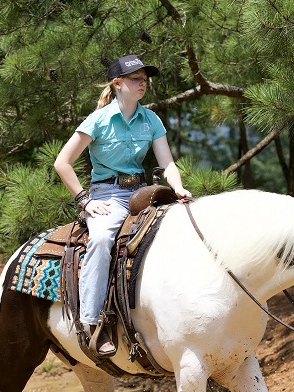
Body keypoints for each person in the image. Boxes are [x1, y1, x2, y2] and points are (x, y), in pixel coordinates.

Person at [54, 54, 191, 355]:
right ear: (117, 84)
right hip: (107, 195)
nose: (143, 83)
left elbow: (167, 163)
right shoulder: (98, 120)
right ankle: (92, 323)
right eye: (135, 79)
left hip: (142, 191)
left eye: (145, 79)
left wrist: (178, 188)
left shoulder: (151, 119)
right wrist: (85, 200)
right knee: (102, 239)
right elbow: (62, 163)